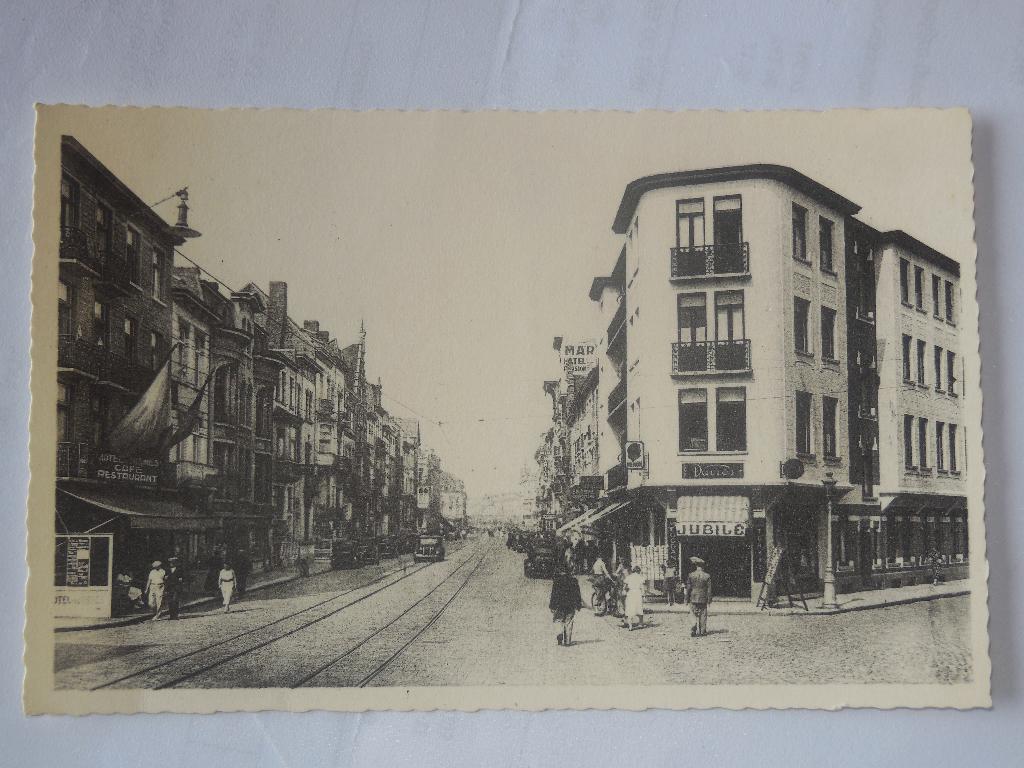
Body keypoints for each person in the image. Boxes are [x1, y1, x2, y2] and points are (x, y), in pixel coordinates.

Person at [549, 564, 584, 646]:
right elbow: (577, 594)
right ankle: (567, 641)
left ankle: (559, 632)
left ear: (561, 571)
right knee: (569, 621)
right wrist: (578, 605)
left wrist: (552, 606)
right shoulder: (574, 580)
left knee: (558, 620)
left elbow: (554, 595)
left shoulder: (557, 581)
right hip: (570, 605)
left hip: (559, 605)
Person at [686, 556, 713, 637]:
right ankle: (702, 631)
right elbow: (709, 589)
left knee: (692, 613)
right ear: (703, 566)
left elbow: (688, 588)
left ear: (696, 565)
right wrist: (709, 599)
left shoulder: (691, 575)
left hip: (693, 597)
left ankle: (693, 625)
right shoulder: (707, 576)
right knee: (703, 614)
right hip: (703, 597)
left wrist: (686, 598)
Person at [622, 565, 646, 630]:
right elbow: (642, 587)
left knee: (630, 608)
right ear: (639, 571)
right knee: (639, 608)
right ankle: (640, 623)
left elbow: (625, 586)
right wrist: (644, 595)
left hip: (631, 593)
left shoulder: (629, 577)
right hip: (638, 593)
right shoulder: (640, 577)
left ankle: (630, 625)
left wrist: (624, 591)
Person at [164, 556, 184, 620]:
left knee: (175, 600)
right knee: (170, 601)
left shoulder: (179, 569)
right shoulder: (167, 570)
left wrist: (181, 579)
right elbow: (165, 578)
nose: (171, 564)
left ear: (175, 563)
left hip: (176, 587)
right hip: (169, 587)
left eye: (172, 563)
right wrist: (165, 578)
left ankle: (175, 615)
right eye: (170, 563)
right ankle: (171, 616)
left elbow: (182, 577)